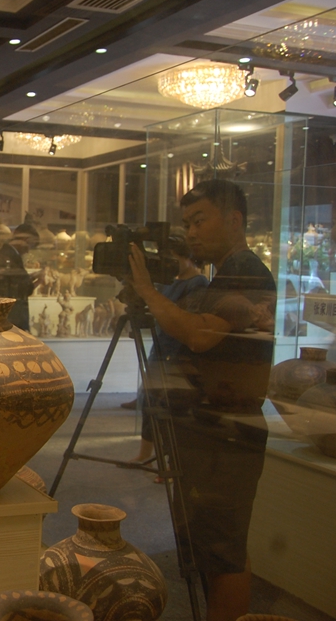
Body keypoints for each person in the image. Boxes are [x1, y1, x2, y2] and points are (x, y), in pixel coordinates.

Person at [127, 179, 275, 621]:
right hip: (214, 430)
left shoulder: (246, 269)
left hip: (226, 435)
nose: (190, 233)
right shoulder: (227, 272)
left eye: (200, 221)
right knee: (213, 548)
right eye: (187, 223)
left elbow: (199, 335)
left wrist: (147, 290)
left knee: (222, 553)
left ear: (234, 220)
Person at [125, 236, 209, 463]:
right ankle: (145, 453)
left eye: (173, 258)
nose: (169, 264)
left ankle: (170, 460)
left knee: (170, 406)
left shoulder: (197, 283)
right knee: (150, 400)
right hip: (162, 346)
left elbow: (185, 319)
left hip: (179, 351)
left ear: (187, 257)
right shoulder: (169, 282)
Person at [0, 223, 40, 331]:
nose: (28, 250)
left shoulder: (9, 255)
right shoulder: (8, 256)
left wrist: (31, 277)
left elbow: (15, 281)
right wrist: (40, 280)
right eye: (30, 245)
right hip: (10, 318)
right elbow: (21, 289)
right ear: (24, 240)